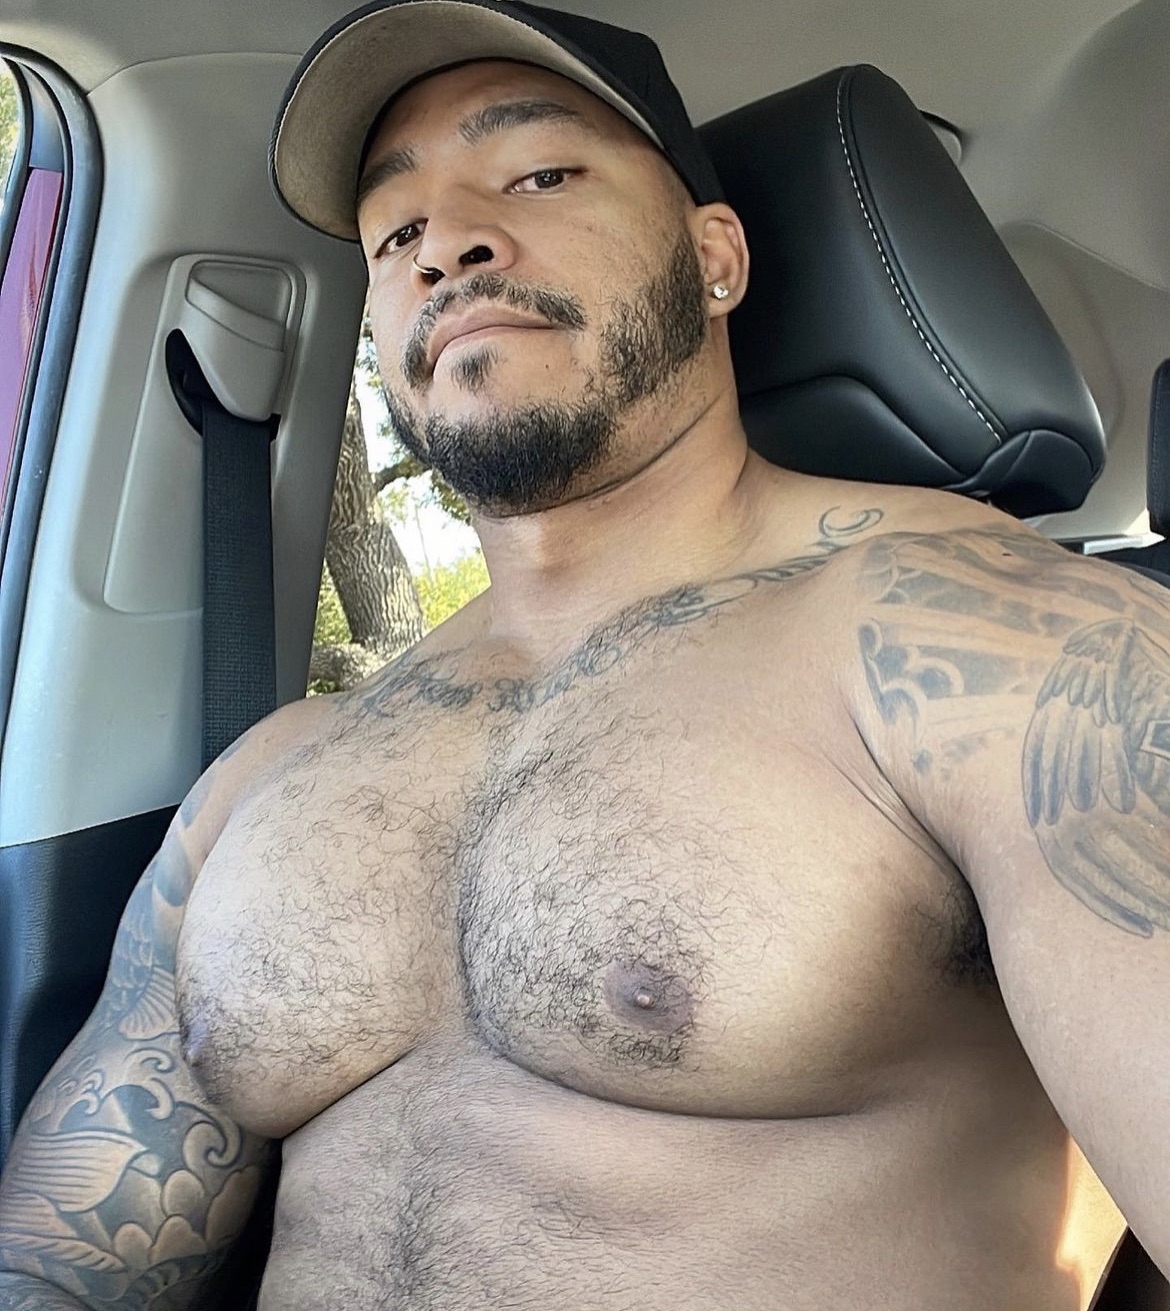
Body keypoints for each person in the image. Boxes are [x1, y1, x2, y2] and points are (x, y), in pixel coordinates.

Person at [2, 1, 1169, 1307]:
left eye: (540, 174)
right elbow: (62, 1257)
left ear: (714, 257)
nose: (448, 243)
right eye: (395, 233)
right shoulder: (272, 775)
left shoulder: (996, 651)